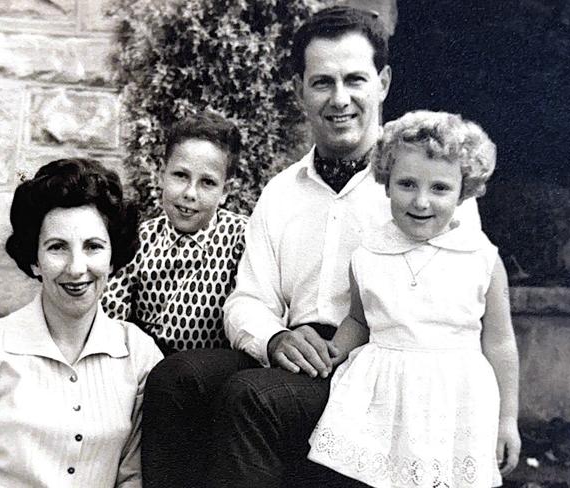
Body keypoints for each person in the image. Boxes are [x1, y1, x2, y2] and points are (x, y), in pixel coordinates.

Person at [142, 7, 481, 488]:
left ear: (383, 82)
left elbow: (457, 302)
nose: (339, 99)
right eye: (322, 82)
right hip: (293, 356)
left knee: (250, 396)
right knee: (177, 378)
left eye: (355, 80)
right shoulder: (281, 192)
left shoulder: (425, 187)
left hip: (376, 369)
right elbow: (249, 298)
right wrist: (275, 339)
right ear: (300, 90)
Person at [307, 111, 521, 487]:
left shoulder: (481, 257)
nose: (421, 201)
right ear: (386, 184)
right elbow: (359, 320)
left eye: (440, 188)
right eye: (407, 184)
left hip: (455, 401)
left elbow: (500, 342)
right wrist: (333, 351)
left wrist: (507, 420)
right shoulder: (369, 253)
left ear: (463, 192)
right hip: (383, 398)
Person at [0, 158, 163, 487]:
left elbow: (133, 479)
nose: (76, 268)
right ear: (34, 259)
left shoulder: (138, 356)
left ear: (113, 258)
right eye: (57, 247)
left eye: (93, 247)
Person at [102, 111, 247, 355]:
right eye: (180, 176)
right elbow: (110, 316)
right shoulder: (140, 239)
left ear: (225, 191)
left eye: (207, 182)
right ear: (161, 174)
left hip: (207, 375)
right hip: (142, 367)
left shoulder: (242, 240)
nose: (190, 193)